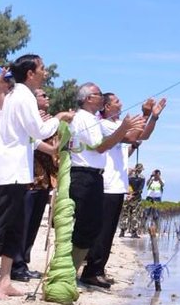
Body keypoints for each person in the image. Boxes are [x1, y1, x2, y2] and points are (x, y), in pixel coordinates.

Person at [0, 55, 73, 299]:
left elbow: (30, 136)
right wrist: (59, 117)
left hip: (19, 171)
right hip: (7, 171)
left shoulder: (17, 95)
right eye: (42, 68)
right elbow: (39, 130)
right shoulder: (22, 96)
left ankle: (5, 281)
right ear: (30, 73)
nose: (45, 73)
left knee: (15, 227)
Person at [82, 94, 164, 287]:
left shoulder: (117, 124)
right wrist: (145, 113)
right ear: (106, 106)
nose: (121, 103)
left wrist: (153, 117)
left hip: (117, 185)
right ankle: (91, 271)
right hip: (106, 185)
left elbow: (143, 135)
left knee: (109, 231)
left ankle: (98, 269)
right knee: (101, 231)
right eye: (116, 101)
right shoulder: (103, 123)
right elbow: (133, 135)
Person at [67, 83, 141, 282]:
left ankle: (74, 270)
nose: (101, 97)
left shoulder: (93, 119)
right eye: (98, 94)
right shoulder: (84, 118)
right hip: (83, 174)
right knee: (87, 226)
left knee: (91, 226)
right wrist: (124, 127)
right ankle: (73, 270)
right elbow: (101, 147)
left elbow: (130, 138)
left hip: (94, 175)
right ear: (88, 98)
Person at [10, 86, 59, 283]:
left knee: (33, 225)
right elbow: (39, 143)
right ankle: (16, 263)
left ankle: (23, 262)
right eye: (43, 95)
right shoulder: (34, 119)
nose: (47, 98)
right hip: (30, 177)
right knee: (23, 223)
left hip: (44, 179)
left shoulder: (48, 119)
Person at [120, 163, 146, 238]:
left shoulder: (129, 176)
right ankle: (133, 232)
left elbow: (125, 185)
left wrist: (129, 194)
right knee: (135, 215)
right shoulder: (142, 178)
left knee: (125, 214)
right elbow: (140, 190)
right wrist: (133, 195)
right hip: (136, 198)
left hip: (127, 196)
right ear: (140, 170)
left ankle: (122, 231)